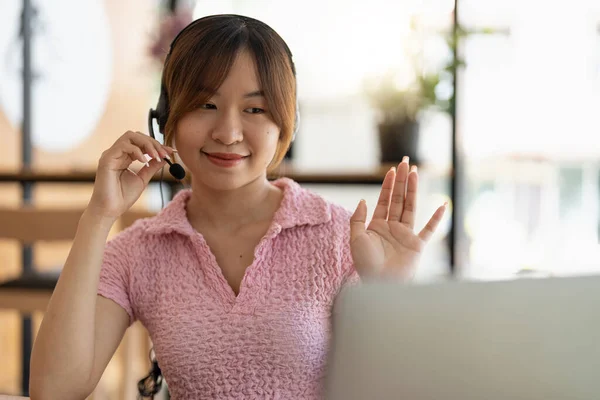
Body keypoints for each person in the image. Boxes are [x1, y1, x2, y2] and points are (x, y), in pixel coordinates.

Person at [29, 14, 447, 400]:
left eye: (254, 109)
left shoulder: (341, 237)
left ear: (286, 123)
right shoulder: (141, 250)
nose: (228, 132)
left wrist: (387, 293)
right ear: (165, 118)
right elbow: (54, 390)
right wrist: (98, 217)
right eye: (205, 105)